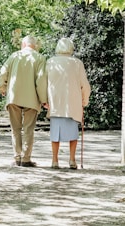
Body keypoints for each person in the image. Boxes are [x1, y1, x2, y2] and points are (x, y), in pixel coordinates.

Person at [0, 35, 48, 167]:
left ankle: (17, 157)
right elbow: (41, 80)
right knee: (28, 129)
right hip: (31, 99)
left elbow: (3, 72)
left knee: (15, 129)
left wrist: (2, 87)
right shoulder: (40, 58)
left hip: (14, 97)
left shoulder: (14, 56)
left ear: (23, 44)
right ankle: (26, 159)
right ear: (34, 46)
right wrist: (44, 100)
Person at [46, 38, 91, 169]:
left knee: (55, 134)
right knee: (73, 133)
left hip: (55, 102)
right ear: (71, 48)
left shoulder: (50, 62)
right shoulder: (77, 63)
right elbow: (85, 85)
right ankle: (72, 160)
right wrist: (84, 100)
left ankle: (54, 160)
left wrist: (44, 100)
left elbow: (44, 82)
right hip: (72, 103)